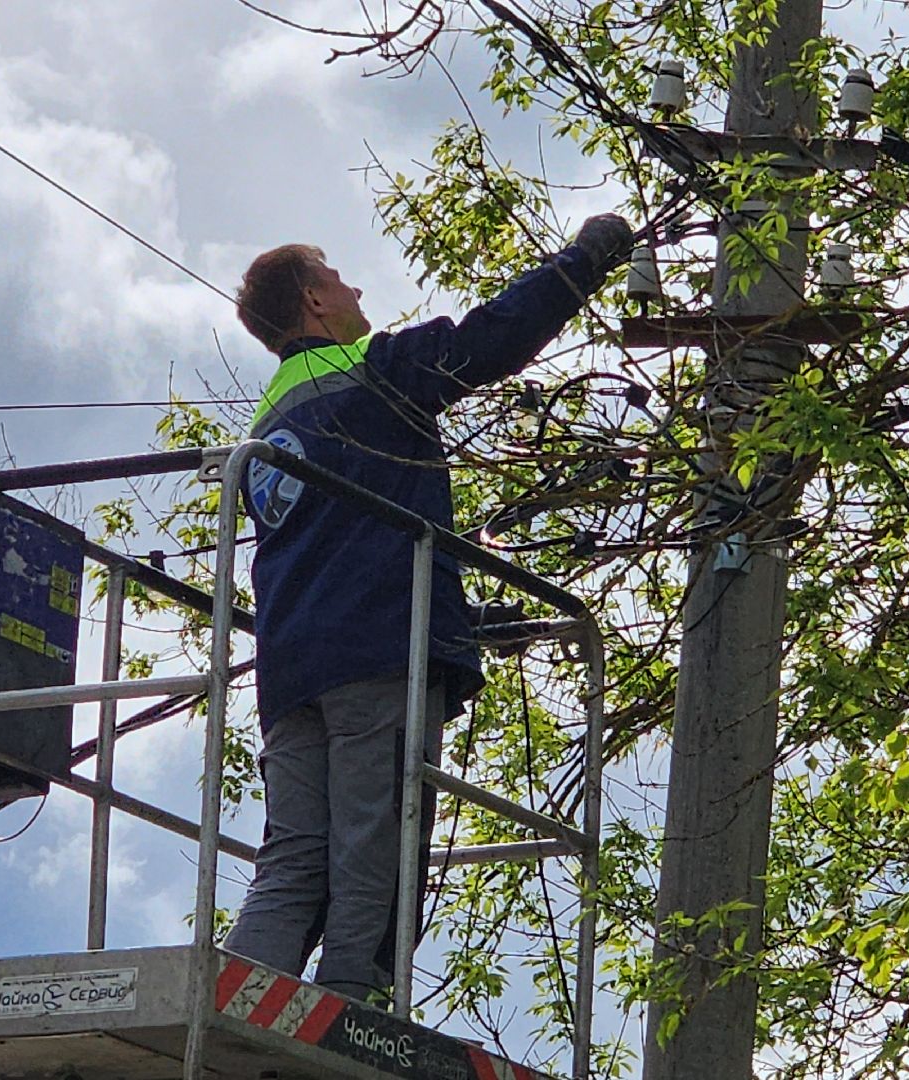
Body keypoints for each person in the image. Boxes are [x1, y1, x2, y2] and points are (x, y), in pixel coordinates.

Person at [221, 215, 634, 1002]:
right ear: (314, 301)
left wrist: (467, 617)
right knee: (381, 833)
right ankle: (355, 997)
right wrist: (585, 261)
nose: (356, 287)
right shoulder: (369, 373)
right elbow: (489, 341)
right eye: (339, 276)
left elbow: (344, 551)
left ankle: (236, 998)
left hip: (290, 671)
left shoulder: (268, 428)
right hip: (379, 659)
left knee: (295, 853)